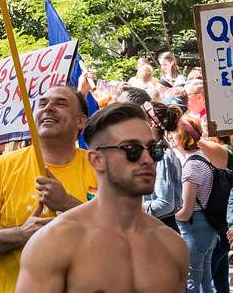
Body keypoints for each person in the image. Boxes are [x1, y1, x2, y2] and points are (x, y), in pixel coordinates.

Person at [15, 103, 187, 292]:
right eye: (132, 149)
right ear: (96, 160)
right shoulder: (55, 243)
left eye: (154, 149)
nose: (147, 159)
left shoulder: (172, 245)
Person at [0, 84, 97, 293]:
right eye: (42, 103)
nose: (48, 107)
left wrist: (68, 204)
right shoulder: (4, 166)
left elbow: (121, 236)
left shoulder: (99, 167)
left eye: (60, 103)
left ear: (81, 121)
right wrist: (22, 234)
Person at [172, 115, 219, 293]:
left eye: (174, 134)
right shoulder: (205, 157)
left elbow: (186, 211)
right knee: (207, 282)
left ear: (182, 137)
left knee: (192, 284)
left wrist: (168, 215)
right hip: (209, 228)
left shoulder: (191, 166)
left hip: (194, 229)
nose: (171, 137)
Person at [143, 102, 183, 232]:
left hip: (161, 228)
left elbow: (165, 204)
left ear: (152, 124)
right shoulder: (157, 151)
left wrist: (133, 207)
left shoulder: (161, 156)